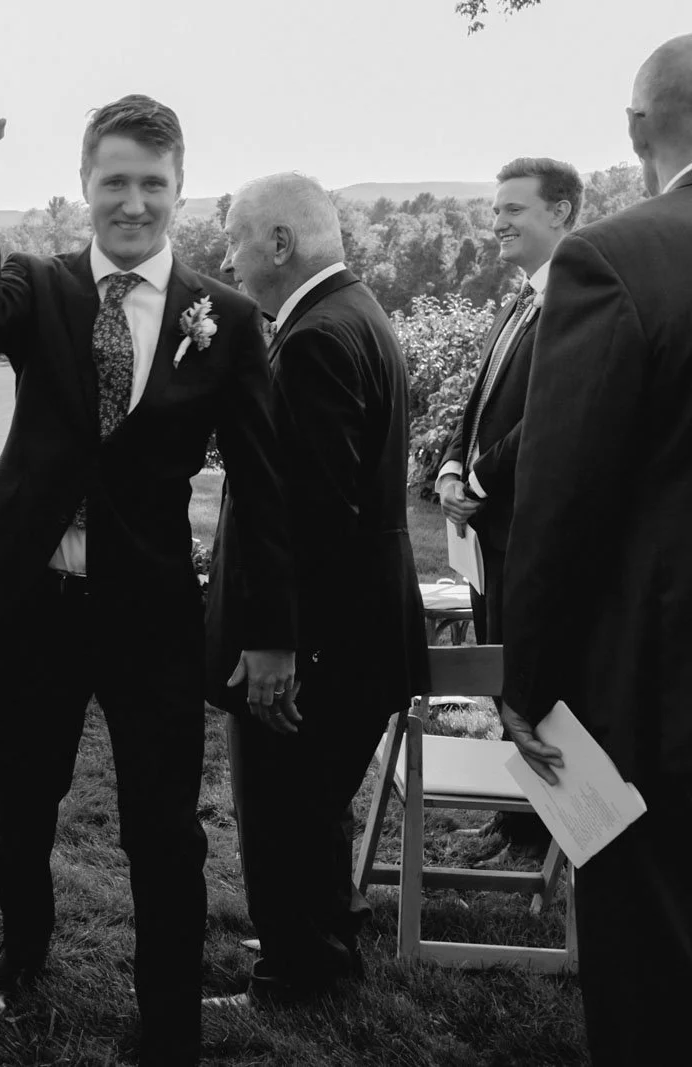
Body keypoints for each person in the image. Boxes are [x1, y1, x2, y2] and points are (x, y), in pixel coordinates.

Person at [0, 87, 296, 1066]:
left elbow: (266, 484)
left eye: (153, 184)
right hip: (35, 600)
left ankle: (168, 1015)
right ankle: (24, 949)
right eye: (114, 182)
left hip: (152, 612)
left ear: (180, 189)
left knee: (164, 825)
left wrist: (269, 630)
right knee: (22, 794)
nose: (133, 202)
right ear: (85, 185)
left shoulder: (225, 317)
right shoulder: (36, 288)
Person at [501, 34, 692, 1067]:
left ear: (634, 128)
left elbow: (559, 502)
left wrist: (524, 684)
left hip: (658, 707)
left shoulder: (617, 260)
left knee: (652, 982)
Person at [205, 172, 427, 1009]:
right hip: (361, 631)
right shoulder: (355, 314)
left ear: (280, 244)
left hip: (321, 641)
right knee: (314, 809)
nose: (226, 258)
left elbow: (308, 516)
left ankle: (291, 980)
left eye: (233, 239)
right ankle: (325, 950)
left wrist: (279, 645)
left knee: (280, 812)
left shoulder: (315, 341)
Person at [438, 157, 582, 645]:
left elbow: (551, 412)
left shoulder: (578, 301)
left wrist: (478, 486)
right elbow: (481, 400)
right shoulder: (513, 306)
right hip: (487, 530)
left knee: (530, 685)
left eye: (514, 210)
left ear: (560, 212)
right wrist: (453, 470)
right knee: (500, 675)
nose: (498, 224)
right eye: (496, 211)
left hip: (533, 532)